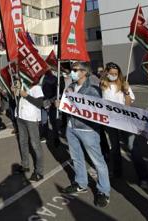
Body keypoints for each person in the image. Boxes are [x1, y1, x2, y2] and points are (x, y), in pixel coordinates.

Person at [58, 61, 110, 208]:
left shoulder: (93, 89)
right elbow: (66, 105)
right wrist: (61, 104)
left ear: (84, 72)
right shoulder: (70, 86)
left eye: (75, 70)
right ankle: (81, 183)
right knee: (76, 157)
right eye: (71, 70)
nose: (71, 72)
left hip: (87, 129)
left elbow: (96, 110)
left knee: (97, 161)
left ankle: (103, 191)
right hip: (71, 127)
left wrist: (73, 103)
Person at [100, 62, 148, 187]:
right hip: (111, 122)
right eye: (111, 73)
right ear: (106, 73)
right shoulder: (103, 85)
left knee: (133, 149)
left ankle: (143, 177)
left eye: (115, 74)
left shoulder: (124, 84)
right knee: (115, 148)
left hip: (125, 121)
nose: (113, 75)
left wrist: (126, 91)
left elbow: (128, 105)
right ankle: (117, 173)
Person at [16, 82, 44, 181]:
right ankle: (25, 165)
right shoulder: (23, 84)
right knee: (23, 142)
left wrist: (26, 96)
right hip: (21, 116)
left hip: (31, 118)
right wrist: (15, 90)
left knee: (35, 145)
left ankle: (39, 172)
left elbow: (40, 103)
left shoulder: (36, 87)